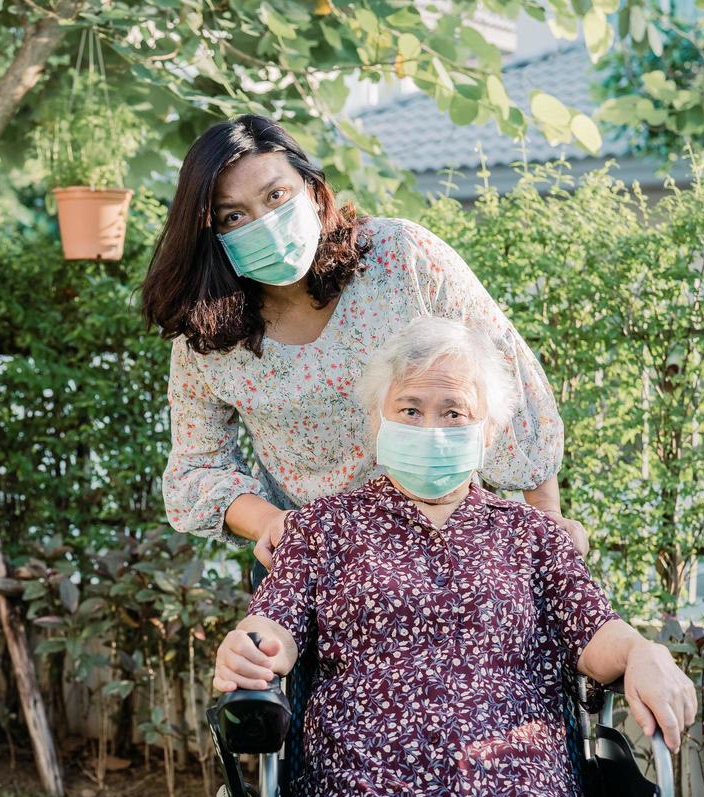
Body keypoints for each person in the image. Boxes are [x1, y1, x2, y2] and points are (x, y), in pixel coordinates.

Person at [210, 317, 698, 797]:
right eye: (409, 408)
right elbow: (274, 627)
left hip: (521, 787)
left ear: (489, 431)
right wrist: (247, 647)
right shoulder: (321, 530)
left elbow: (595, 633)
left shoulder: (534, 538)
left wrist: (644, 653)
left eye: (454, 411)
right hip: (368, 788)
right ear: (378, 420)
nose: (431, 427)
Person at [142, 113, 587, 568]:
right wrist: (273, 525)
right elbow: (198, 467)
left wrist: (548, 520)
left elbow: (507, 377)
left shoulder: (401, 258)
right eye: (234, 216)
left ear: (313, 191)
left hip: (446, 541)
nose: (266, 224)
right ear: (211, 234)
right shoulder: (208, 331)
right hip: (312, 558)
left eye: (277, 196)